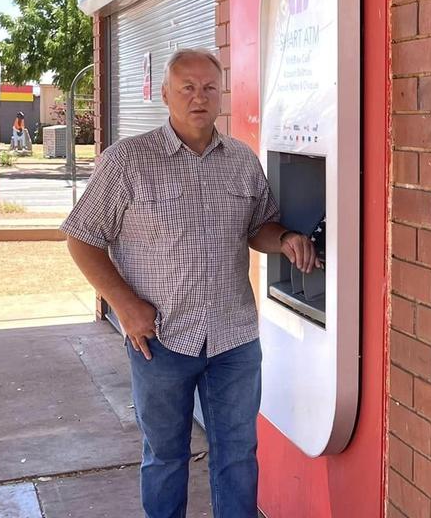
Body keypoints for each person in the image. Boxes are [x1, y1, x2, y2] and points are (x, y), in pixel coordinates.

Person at [61, 48, 318, 518]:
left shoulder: (241, 160)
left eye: (208, 88)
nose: (199, 97)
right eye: (187, 88)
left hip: (233, 339)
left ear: (222, 95)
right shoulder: (128, 162)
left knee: (237, 457)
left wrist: (284, 239)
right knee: (165, 458)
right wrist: (124, 304)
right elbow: (82, 238)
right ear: (166, 95)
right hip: (160, 340)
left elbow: (258, 225)